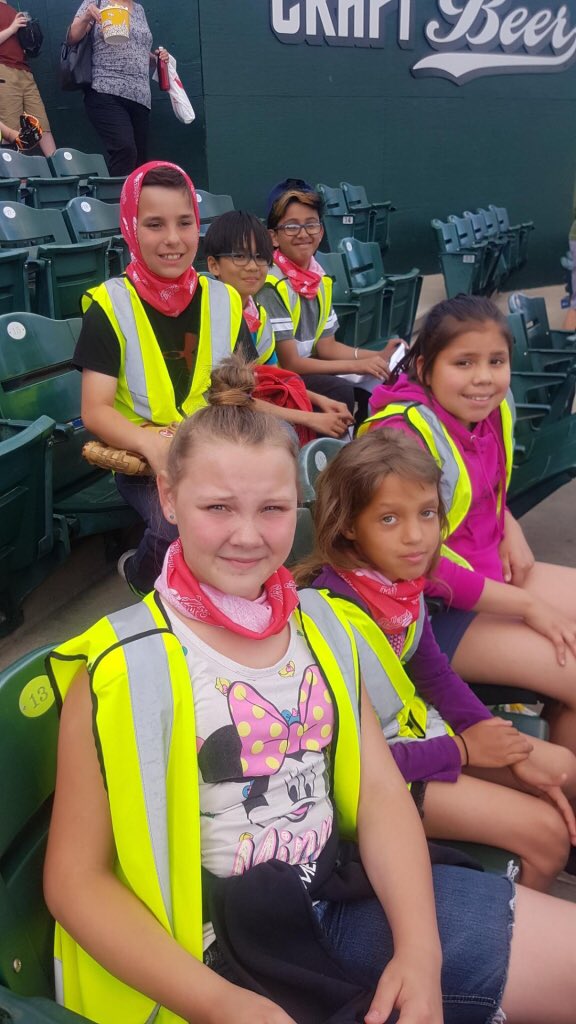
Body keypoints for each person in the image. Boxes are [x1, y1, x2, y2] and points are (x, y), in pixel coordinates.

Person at [44, 356, 576, 1024]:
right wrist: (221, 1006)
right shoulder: (118, 665)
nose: (246, 535)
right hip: (222, 954)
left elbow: (381, 795)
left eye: (270, 509)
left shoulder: (323, 625)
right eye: (217, 507)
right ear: (170, 498)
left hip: (340, 893)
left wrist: (420, 952)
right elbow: (74, 882)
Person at [294, 428, 576, 891]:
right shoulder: (330, 618)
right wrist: (464, 750)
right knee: (546, 837)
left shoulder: (398, 585)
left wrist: (491, 735)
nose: (417, 537)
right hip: (368, 782)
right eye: (389, 519)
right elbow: (344, 761)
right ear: (348, 525)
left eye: (427, 514)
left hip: (413, 738)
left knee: (559, 767)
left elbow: (435, 673)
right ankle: (497, 935)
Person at [358, 294, 576, 758]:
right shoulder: (402, 436)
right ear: (424, 366)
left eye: (496, 361)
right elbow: (419, 563)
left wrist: (508, 526)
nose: (483, 378)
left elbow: (485, 486)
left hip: (487, 575)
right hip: (427, 612)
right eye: (463, 362)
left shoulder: (487, 409)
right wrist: (526, 605)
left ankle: (558, 772)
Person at [74, 160, 255, 596]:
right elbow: (95, 411)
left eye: (184, 223)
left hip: (210, 445)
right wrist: (154, 446)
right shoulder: (108, 305)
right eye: (154, 224)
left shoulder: (224, 299)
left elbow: (239, 391)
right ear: (131, 229)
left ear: (199, 226)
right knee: (177, 526)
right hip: (142, 456)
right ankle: (140, 574)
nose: (173, 239)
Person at [256, 179, 399, 421]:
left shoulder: (318, 278)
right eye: (291, 227)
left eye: (311, 225)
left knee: (385, 374)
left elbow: (327, 346)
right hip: (277, 380)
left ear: (321, 231)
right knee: (338, 389)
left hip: (306, 366)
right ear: (273, 237)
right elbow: (291, 363)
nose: (303, 234)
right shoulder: (271, 284)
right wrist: (356, 366)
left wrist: (377, 357)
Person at [205, 209, 354, 440]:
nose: (253, 267)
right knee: (288, 431)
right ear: (214, 266)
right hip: (217, 415)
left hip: (250, 401)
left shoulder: (258, 315)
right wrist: (311, 418)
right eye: (240, 257)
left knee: (336, 394)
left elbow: (275, 376)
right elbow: (231, 398)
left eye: (261, 257)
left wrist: (321, 401)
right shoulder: (209, 315)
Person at [68, 1, 170, 175]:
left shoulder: (139, 10)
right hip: (105, 89)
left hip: (140, 96)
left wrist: (157, 58)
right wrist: (87, 16)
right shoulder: (97, 2)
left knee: (140, 162)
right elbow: (72, 38)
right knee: (125, 149)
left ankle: (134, 201)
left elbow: (136, 49)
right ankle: (115, 200)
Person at [0, 1, 55, 155]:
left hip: (25, 71)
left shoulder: (12, 9)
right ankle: (17, 178)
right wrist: (12, 29)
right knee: (10, 126)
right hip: (4, 70)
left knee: (42, 124)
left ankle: (60, 170)